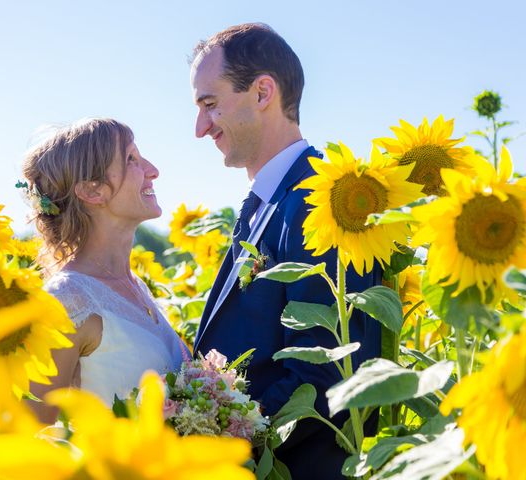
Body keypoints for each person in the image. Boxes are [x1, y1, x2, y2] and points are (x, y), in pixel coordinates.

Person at [190, 24, 381, 479]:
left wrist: (223, 445)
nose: (200, 128)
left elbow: (328, 370)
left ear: (262, 92)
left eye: (209, 104)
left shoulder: (323, 201)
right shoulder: (269, 200)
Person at [22, 118, 189, 423]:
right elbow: (31, 434)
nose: (153, 171)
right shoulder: (67, 300)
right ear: (91, 190)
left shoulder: (138, 287)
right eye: (131, 159)